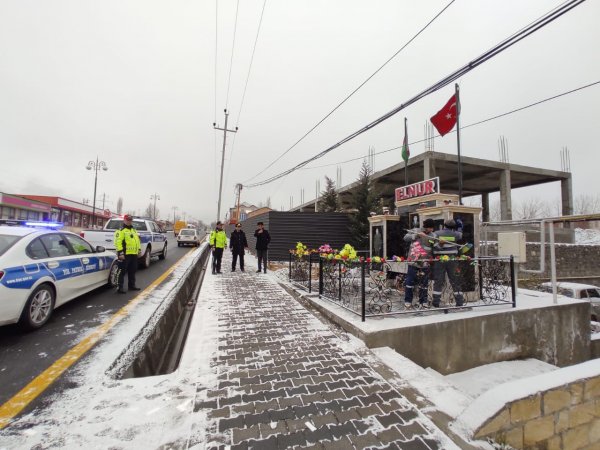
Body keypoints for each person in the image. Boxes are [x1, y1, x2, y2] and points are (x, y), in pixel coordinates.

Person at [431, 219, 464, 307]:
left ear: (444, 225)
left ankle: (436, 302)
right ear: (453, 227)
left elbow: (434, 246)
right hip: (452, 260)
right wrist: (460, 227)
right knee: (455, 280)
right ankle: (459, 301)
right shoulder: (456, 234)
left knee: (438, 281)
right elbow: (460, 235)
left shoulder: (436, 234)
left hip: (440, 260)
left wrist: (440, 245)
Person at [404, 218, 435, 309]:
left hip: (425, 263)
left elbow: (435, 246)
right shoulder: (416, 230)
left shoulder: (433, 235)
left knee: (424, 283)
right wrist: (416, 235)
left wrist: (439, 243)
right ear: (426, 227)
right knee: (410, 282)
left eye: (432, 228)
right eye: (430, 228)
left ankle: (423, 301)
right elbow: (405, 238)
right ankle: (408, 301)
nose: (431, 230)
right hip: (413, 262)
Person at [114, 214, 142, 294]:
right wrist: (120, 253)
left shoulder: (133, 230)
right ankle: (120, 287)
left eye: (130, 220)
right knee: (121, 271)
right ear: (124, 220)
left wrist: (139, 250)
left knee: (132, 270)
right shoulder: (121, 230)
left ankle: (132, 286)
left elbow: (137, 241)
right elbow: (117, 242)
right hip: (124, 254)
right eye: (127, 220)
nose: (129, 221)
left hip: (133, 254)